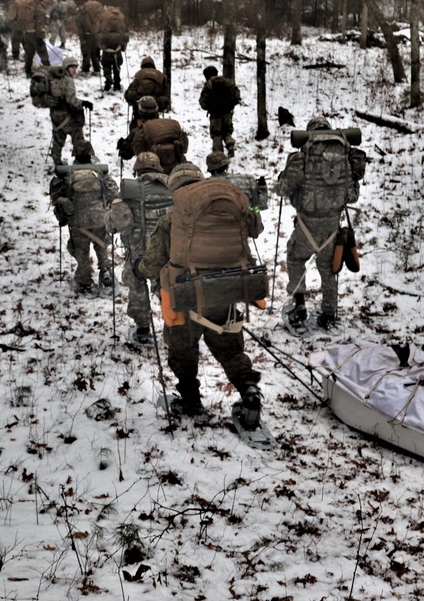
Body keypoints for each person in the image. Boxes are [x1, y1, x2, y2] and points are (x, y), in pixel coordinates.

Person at [136, 163, 266, 428]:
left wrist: (139, 268)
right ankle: (249, 390)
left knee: (183, 350)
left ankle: (191, 400)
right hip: (226, 293)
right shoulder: (227, 215)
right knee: (230, 351)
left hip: (185, 297)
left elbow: (153, 263)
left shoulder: (170, 220)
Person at [274, 117, 366, 333]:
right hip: (332, 224)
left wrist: (282, 181)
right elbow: (351, 197)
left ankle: (299, 306)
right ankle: (328, 314)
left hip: (307, 223)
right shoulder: (343, 154)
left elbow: (285, 188)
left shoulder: (304, 155)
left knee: (296, 258)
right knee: (329, 268)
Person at [106, 152, 173, 344]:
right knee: (167, 288)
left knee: (137, 286)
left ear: (138, 170)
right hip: (168, 251)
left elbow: (114, 224)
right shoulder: (173, 188)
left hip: (139, 252)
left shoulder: (129, 191)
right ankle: (173, 326)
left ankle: (143, 329)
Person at [50, 140, 117, 294]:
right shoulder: (99, 173)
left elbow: (56, 197)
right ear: (91, 154)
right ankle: (106, 271)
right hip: (100, 218)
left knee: (81, 251)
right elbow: (113, 193)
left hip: (78, 222)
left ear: (75, 155)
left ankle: (84, 282)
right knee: (101, 245)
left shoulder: (68, 174)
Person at [48, 56, 93, 167]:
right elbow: (71, 100)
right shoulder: (68, 81)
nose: (74, 70)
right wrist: (84, 103)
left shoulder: (57, 79)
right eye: (72, 67)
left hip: (55, 115)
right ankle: (81, 160)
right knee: (78, 135)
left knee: (58, 137)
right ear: (66, 68)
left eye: (75, 67)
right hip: (66, 115)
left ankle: (57, 161)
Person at [122, 103, 189, 175]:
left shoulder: (141, 130)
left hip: (154, 172)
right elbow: (184, 147)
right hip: (179, 169)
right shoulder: (173, 124)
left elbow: (138, 152)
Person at [198, 65, 240, 156]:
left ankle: (218, 154)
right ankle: (230, 144)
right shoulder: (226, 82)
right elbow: (236, 94)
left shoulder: (209, 84)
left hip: (215, 115)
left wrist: (209, 106)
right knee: (227, 131)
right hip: (228, 113)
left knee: (217, 134)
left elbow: (203, 102)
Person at [124, 56, 168, 121]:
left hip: (139, 105)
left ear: (142, 65)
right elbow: (166, 94)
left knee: (137, 121)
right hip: (155, 106)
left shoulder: (139, 74)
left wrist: (134, 100)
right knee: (154, 124)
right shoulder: (161, 75)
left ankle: (137, 126)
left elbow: (130, 92)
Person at [98, 6, 129, 92]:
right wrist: (123, 47)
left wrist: (100, 45)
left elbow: (99, 30)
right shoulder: (121, 16)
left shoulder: (104, 16)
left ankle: (108, 82)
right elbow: (125, 31)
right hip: (117, 48)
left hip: (107, 48)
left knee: (106, 65)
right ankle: (117, 84)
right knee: (117, 66)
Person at [76, 0, 104, 76]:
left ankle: (85, 70)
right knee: (95, 53)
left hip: (86, 35)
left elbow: (80, 27)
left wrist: (82, 39)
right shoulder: (99, 14)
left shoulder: (82, 14)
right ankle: (97, 69)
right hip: (96, 36)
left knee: (86, 53)